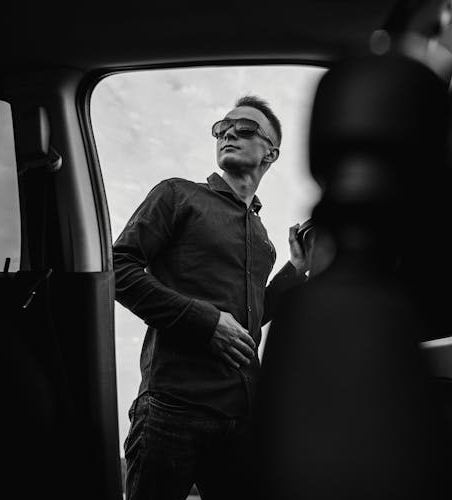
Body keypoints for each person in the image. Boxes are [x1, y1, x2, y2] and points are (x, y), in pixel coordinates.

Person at [113, 95, 309, 500]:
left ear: (270, 152)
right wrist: (205, 322)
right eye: (222, 127)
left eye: (245, 128)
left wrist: (296, 267)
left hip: (241, 418)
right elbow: (117, 269)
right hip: (172, 408)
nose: (229, 133)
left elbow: (251, 321)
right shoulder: (176, 195)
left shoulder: (263, 239)